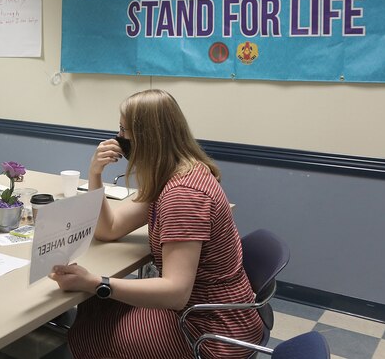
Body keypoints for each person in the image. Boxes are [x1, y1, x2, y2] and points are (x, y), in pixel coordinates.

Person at [49, 89, 263, 359]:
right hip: (216, 310)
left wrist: (96, 282)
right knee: (96, 309)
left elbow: (175, 293)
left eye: (124, 131)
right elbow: (109, 228)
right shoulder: (179, 172)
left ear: (147, 138)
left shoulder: (183, 195)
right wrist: (95, 174)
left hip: (210, 330)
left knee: (96, 323)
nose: (119, 138)